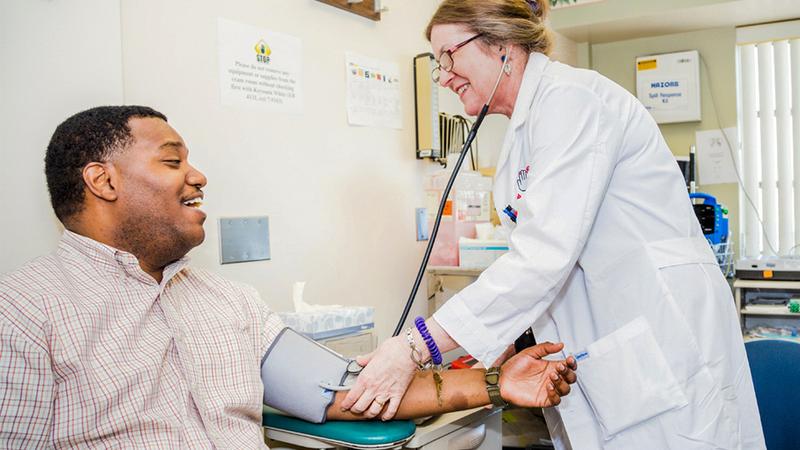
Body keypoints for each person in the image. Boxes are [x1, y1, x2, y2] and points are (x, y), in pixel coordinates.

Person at [0, 105, 576, 449]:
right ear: (103, 182)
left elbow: (349, 392)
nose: (198, 176)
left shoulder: (228, 304)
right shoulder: (25, 312)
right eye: (173, 161)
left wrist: (498, 382)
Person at [342, 1, 766, 449]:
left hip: (663, 341)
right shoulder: (528, 130)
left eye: (449, 55)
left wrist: (415, 346)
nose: (443, 75)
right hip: (614, 351)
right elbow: (545, 262)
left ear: (501, 44)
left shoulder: (573, 102)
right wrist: (505, 339)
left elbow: (543, 258)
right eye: (437, 64)